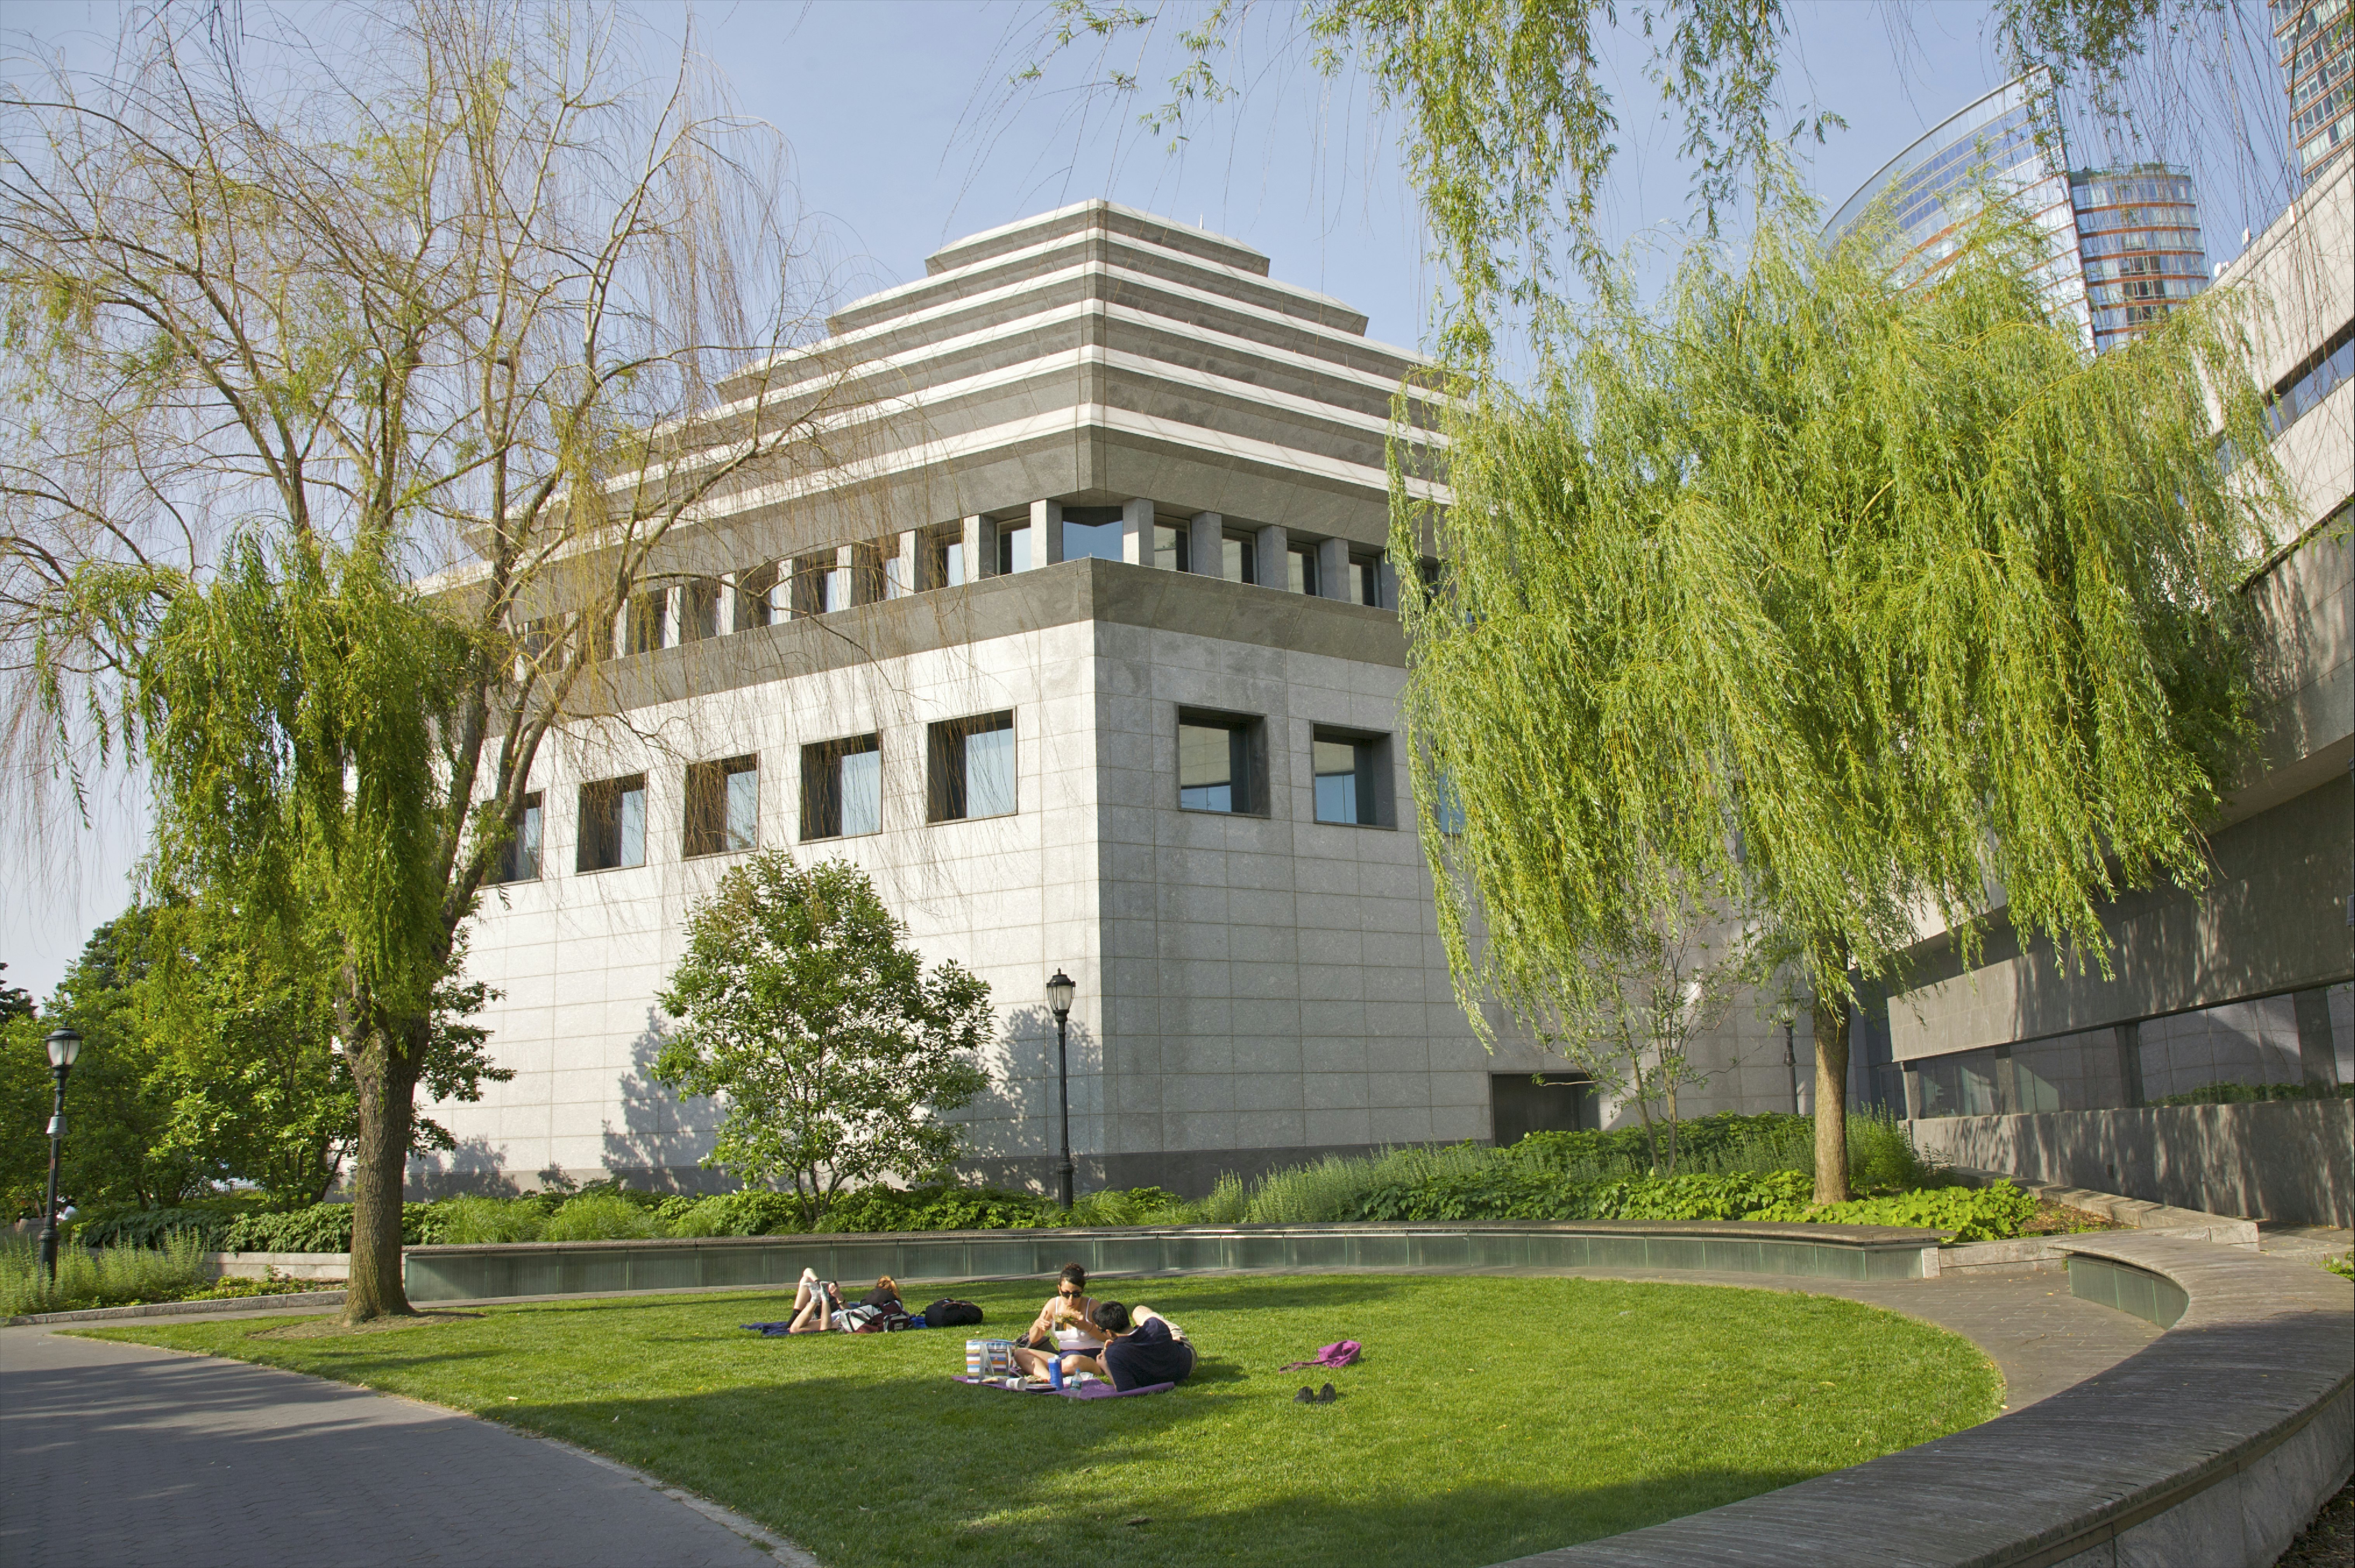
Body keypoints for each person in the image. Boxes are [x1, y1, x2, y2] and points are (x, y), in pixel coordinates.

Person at [1009, 1263, 1102, 1382]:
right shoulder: (1054, 1305)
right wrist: (1038, 1326)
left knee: (1072, 1362)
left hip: (1089, 1358)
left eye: (1076, 1294)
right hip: (1063, 1357)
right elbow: (1033, 1339)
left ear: (1082, 1291)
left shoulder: (1092, 1306)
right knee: (1020, 1354)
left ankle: (1054, 1372)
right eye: (1066, 1294)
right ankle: (1050, 1379)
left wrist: (1088, 1327)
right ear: (1059, 1290)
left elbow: (1108, 1337)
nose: (1071, 1300)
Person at [1074, 1301, 1195, 1392]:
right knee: (1139, 1310)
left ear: (1109, 1333)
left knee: (1139, 1311)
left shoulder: (1114, 1353)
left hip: (1178, 1372)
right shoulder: (1155, 1325)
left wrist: (1105, 1367)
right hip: (1186, 1365)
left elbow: (1125, 1390)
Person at [785, 1268, 840, 1334]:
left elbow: (827, 1327)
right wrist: (818, 1283)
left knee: (806, 1280)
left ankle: (793, 1319)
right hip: (830, 1302)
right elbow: (807, 1271)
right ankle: (819, 1287)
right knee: (807, 1276)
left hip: (827, 1310)